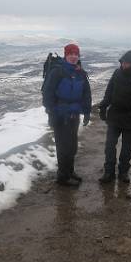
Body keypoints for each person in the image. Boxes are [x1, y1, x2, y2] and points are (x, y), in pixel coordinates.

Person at [42, 43, 92, 186]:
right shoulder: (57, 72)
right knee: (63, 147)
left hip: (74, 115)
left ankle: (70, 171)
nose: (73, 56)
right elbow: (48, 93)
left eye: (76, 54)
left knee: (72, 146)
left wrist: (87, 112)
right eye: (70, 54)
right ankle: (63, 177)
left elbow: (86, 94)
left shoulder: (80, 73)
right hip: (59, 115)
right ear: (66, 55)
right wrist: (51, 111)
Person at [98, 50, 131, 183]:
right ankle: (109, 172)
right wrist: (103, 107)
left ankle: (123, 172)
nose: (123, 65)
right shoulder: (116, 73)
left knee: (127, 148)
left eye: (127, 63)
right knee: (110, 146)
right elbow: (109, 92)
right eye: (122, 62)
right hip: (114, 116)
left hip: (130, 118)